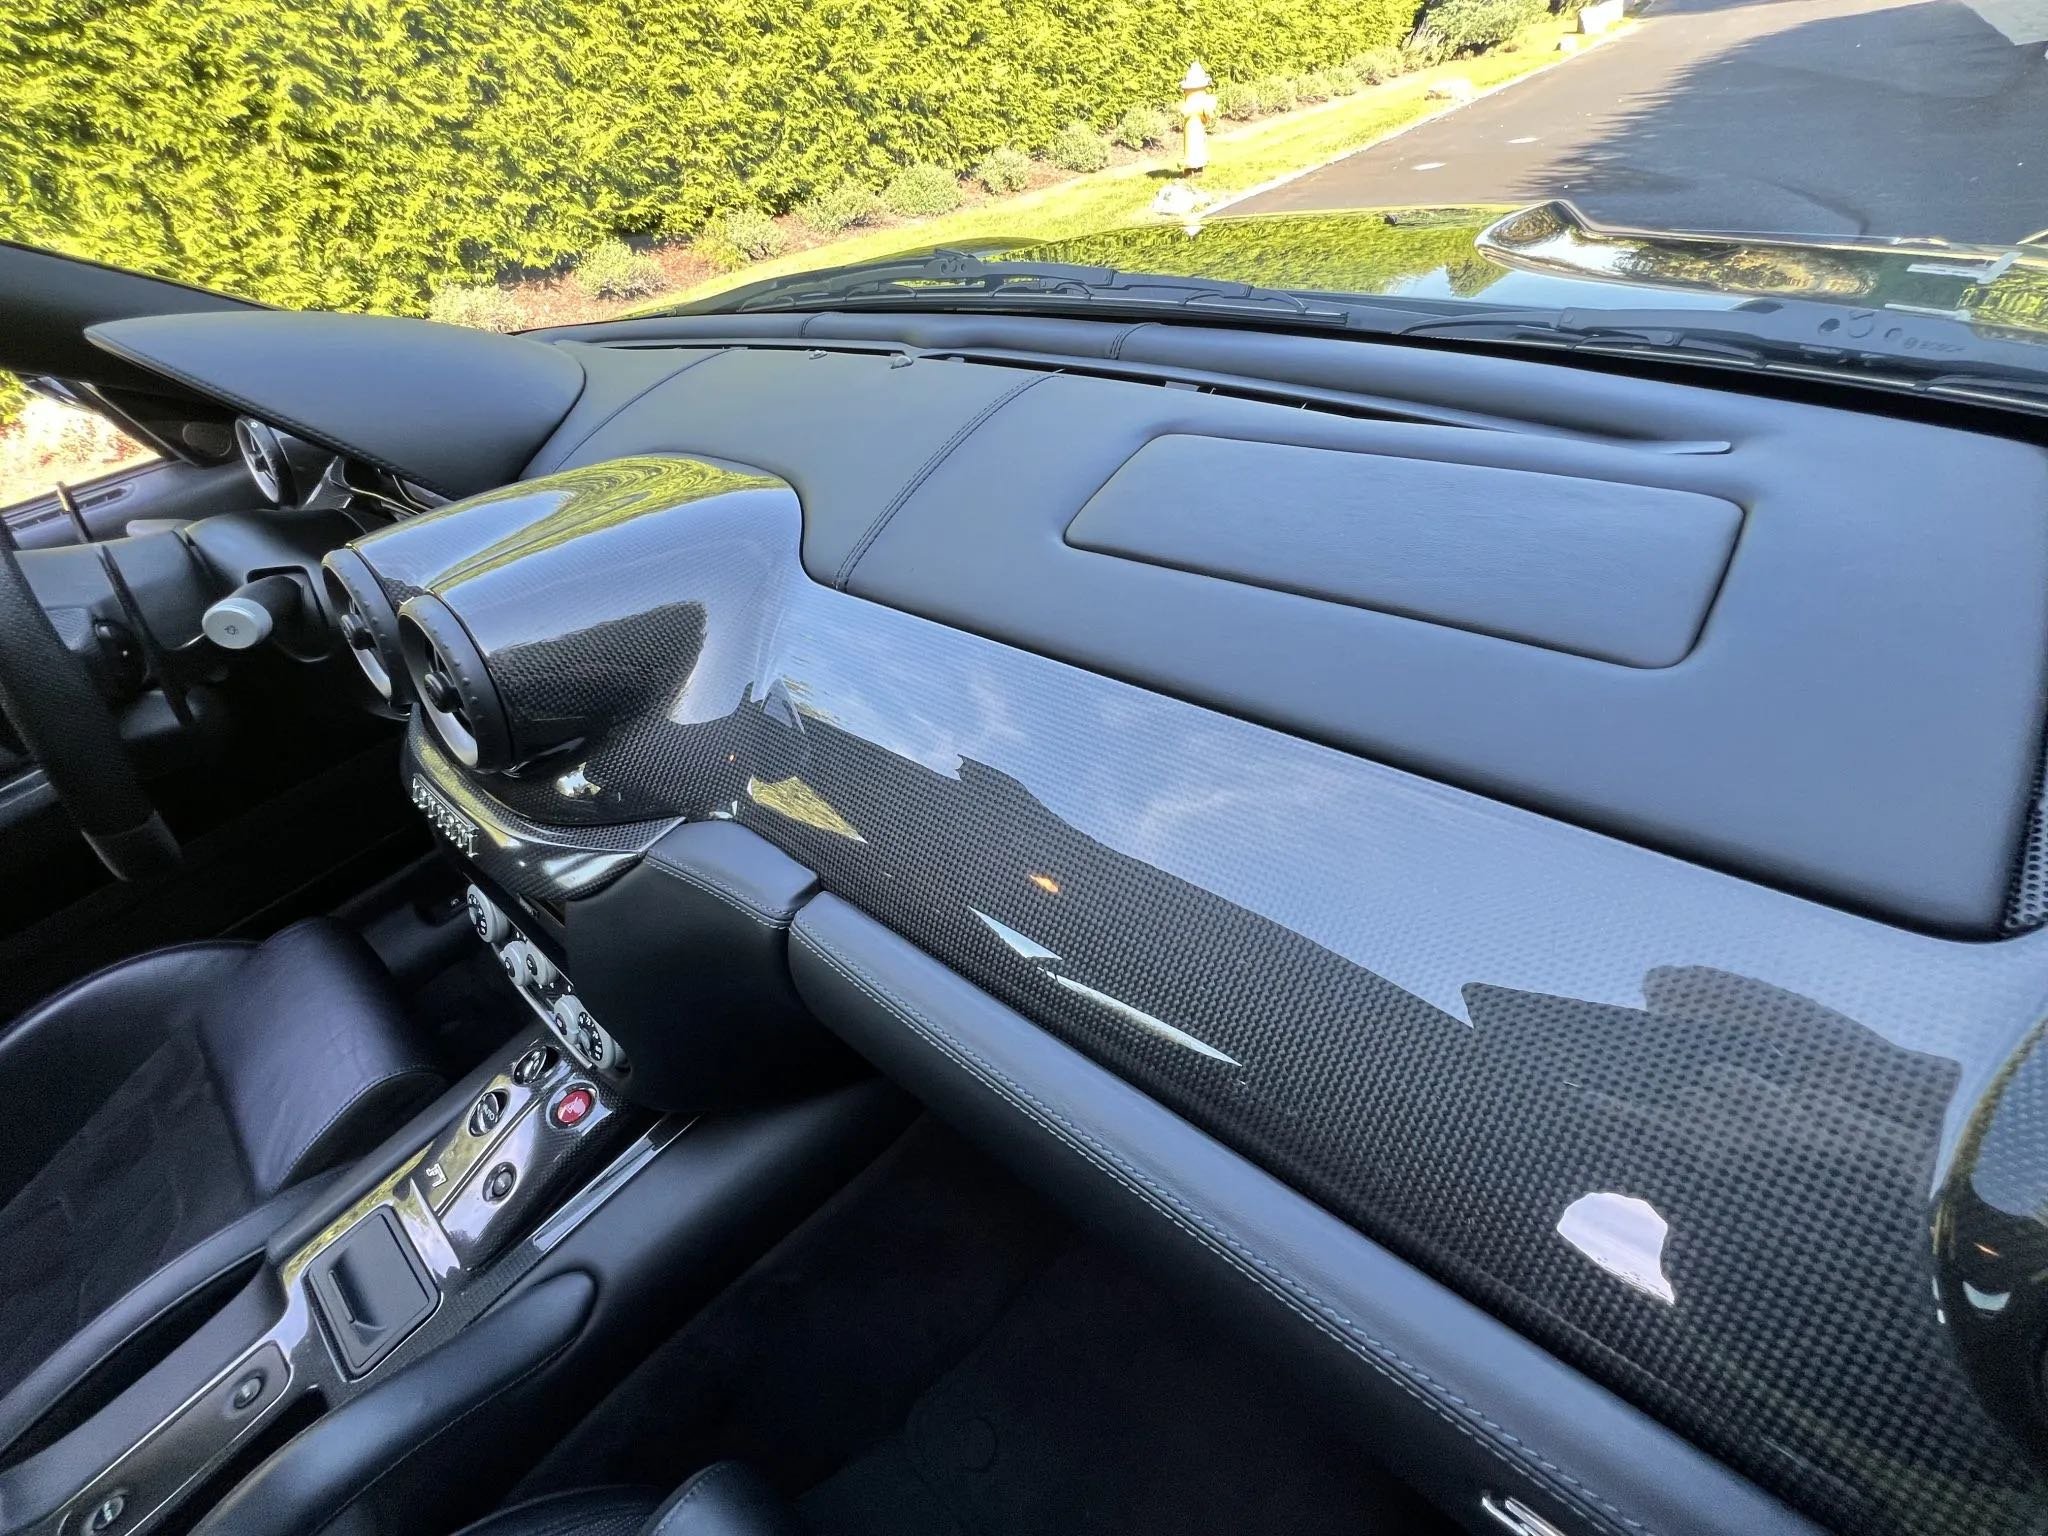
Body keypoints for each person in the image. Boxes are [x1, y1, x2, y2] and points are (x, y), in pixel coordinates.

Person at [1178, 62, 1218, 178]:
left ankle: (1194, 167)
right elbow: (1208, 114)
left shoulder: (1191, 105)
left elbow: (1207, 112)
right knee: (1194, 142)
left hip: (1194, 118)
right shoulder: (1198, 104)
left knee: (1194, 141)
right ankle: (1193, 167)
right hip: (1195, 117)